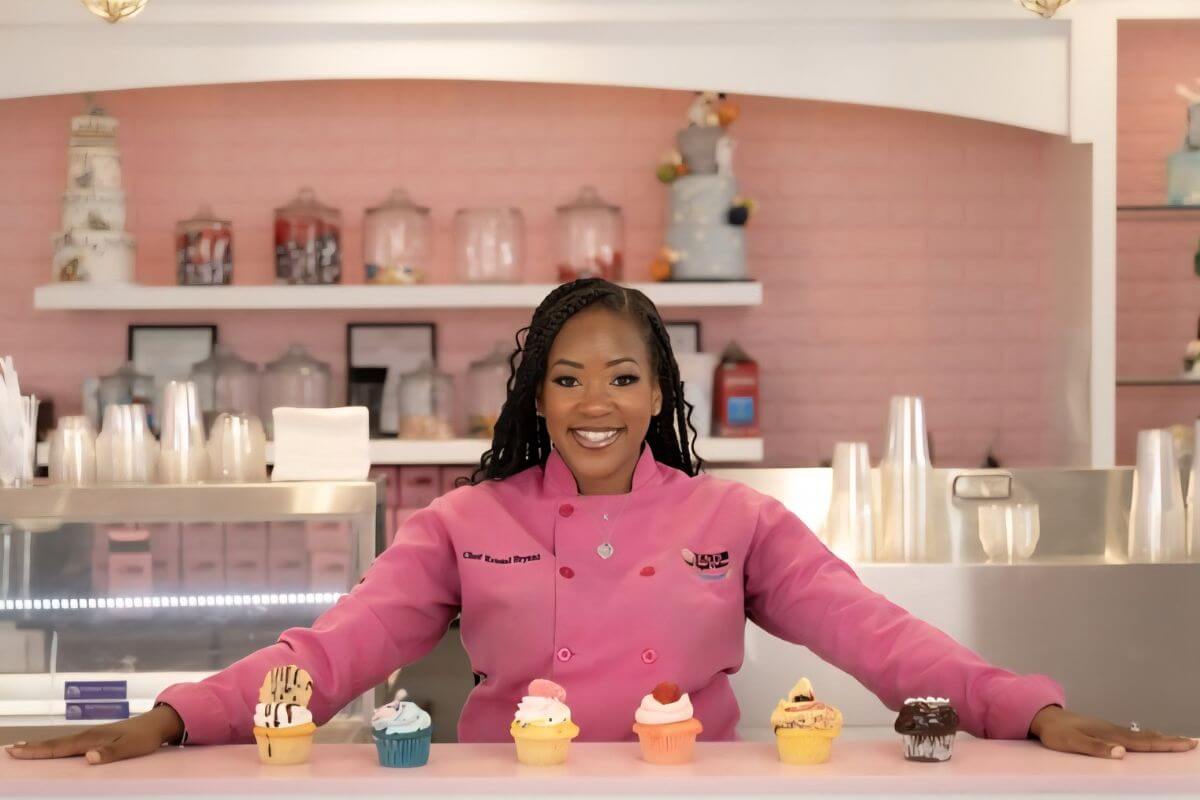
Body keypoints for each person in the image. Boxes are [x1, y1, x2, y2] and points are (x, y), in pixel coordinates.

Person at [8, 279, 1195, 765]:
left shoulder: (735, 515)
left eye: (623, 377)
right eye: (568, 376)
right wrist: (169, 718)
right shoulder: (467, 519)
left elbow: (878, 634)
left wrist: (1027, 707)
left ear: (659, 395)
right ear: (536, 390)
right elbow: (329, 655)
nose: (595, 402)